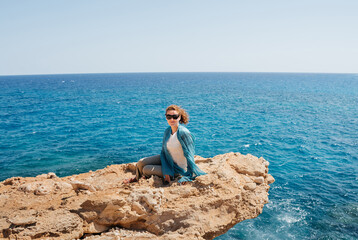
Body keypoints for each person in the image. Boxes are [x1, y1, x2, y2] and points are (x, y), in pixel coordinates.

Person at [124, 105, 206, 185]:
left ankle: (143, 177)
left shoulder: (184, 133)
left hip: (177, 168)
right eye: (169, 117)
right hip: (167, 159)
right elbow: (163, 152)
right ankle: (137, 177)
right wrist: (166, 169)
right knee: (141, 162)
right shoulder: (167, 131)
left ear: (180, 117)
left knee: (146, 169)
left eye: (175, 116)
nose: (172, 119)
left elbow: (190, 155)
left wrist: (188, 175)